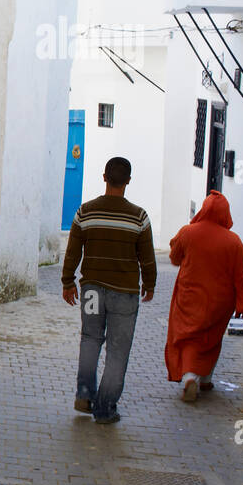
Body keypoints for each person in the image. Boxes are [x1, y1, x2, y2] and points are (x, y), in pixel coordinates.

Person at [61, 156, 156, 424]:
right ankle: (104, 409)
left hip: (91, 291)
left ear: (104, 177)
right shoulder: (139, 217)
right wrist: (149, 284)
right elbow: (147, 258)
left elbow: (72, 251)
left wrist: (68, 281)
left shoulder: (86, 212)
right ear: (128, 181)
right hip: (124, 294)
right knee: (117, 349)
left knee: (90, 339)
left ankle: (83, 394)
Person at [164, 190, 243, 402]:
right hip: (219, 303)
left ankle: (188, 377)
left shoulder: (188, 232)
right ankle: (205, 378)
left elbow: (174, 257)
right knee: (210, 339)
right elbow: (241, 277)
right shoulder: (234, 242)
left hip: (189, 297)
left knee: (186, 337)